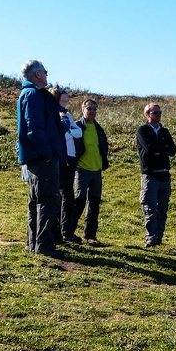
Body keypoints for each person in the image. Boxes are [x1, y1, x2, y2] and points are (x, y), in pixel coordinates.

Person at [16, 60, 66, 258]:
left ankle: (33, 243)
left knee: (36, 200)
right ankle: (44, 245)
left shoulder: (30, 94)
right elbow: (34, 128)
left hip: (37, 157)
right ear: (37, 75)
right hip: (42, 158)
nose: (47, 75)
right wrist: (47, 153)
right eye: (44, 72)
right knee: (47, 200)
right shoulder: (33, 94)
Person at [136, 102, 176, 248]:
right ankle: (151, 238)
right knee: (150, 208)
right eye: (155, 112)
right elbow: (149, 149)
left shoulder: (164, 131)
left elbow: (172, 150)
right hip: (150, 175)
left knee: (162, 210)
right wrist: (161, 148)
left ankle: (159, 238)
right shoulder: (143, 130)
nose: (158, 114)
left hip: (165, 175)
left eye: (160, 112)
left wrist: (160, 149)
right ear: (148, 115)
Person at [72, 98, 109, 245]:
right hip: (81, 170)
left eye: (94, 109)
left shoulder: (99, 129)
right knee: (79, 200)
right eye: (89, 108)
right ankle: (68, 231)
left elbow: (103, 148)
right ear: (83, 109)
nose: (92, 111)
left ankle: (90, 236)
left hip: (96, 170)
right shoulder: (77, 127)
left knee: (94, 203)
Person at [49, 86, 83, 244]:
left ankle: (66, 231)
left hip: (71, 156)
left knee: (68, 195)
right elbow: (61, 132)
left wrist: (68, 132)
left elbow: (78, 132)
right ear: (58, 96)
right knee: (65, 194)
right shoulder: (55, 112)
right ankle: (61, 231)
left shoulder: (66, 113)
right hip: (62, 157)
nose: (67, 94)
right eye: (63, 92)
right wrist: (69, 132)